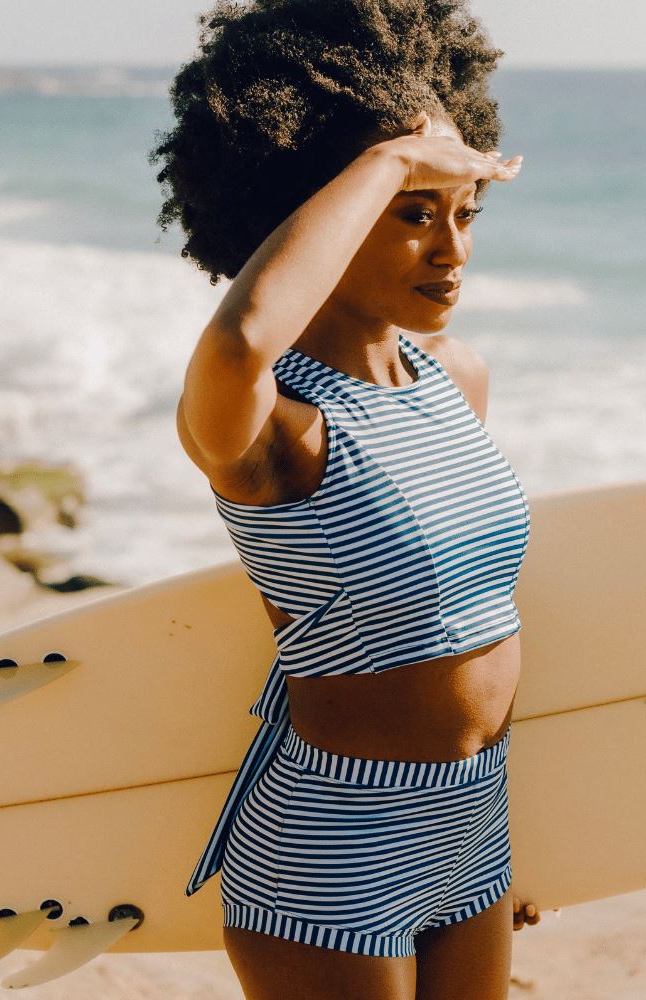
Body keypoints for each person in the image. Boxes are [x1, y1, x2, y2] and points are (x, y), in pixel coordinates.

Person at [151, 1, 556, 996]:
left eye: (465, 213)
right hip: (333, 842)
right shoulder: (267, 424)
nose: (452, 251)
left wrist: (523, 834)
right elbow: (240, 338)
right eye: (414, 215)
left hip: (472, 822)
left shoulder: (454, 378)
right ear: (315, 216)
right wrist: (390, 158)